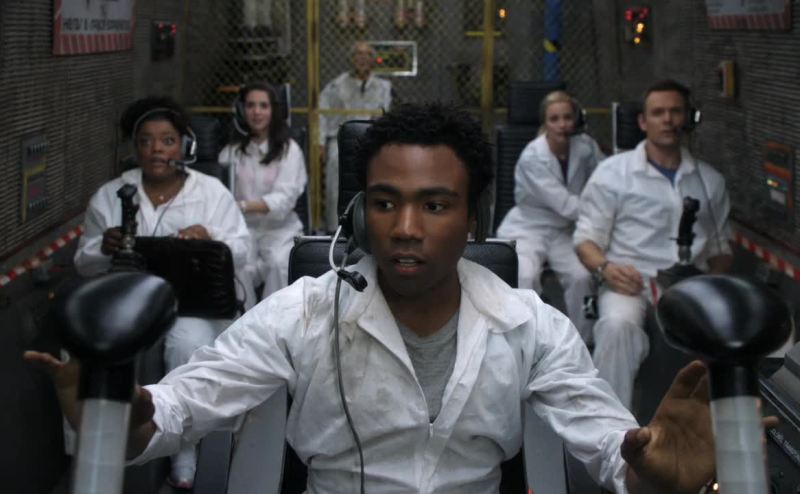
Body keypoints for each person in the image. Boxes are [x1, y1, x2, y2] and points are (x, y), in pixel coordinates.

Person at [31, 103, 721, 493]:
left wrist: (656, 473)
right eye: (386, 203)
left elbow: (613, 449)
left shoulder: (531, 325)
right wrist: (125, 419)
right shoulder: (303, 311)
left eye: (435, 205)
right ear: (360, 216)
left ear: (473, 219)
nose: (407, 228)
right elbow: (183, 406)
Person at [72, 96, 253, 489]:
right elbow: (83, 263)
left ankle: (183, 452)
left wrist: (210, 236)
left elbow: (243, 249)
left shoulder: (211, 192)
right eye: (147, 141)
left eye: (167, 140)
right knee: (83, 350)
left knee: (187, 342)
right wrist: (103, 247)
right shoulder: (112, 194)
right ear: (134, 148)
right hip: (127, 307)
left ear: (184, 146)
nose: (157, 149)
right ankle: (92, 452)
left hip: (191, 306)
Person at [574, 80, 733, 410]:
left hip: (690, 286)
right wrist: (607, 269)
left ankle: (706, 428)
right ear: (643, 122)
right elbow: (586, 241)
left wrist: (712, 290)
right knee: (616, 328)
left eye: (675, 112)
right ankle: (610, 429)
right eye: (658, 113)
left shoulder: (710, 180)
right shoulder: (612, 173)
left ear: (689, 118)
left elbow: (720, 249)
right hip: (630, 282)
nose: (668, 120)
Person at [496, 90, 604, 341]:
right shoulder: (532, 156)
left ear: (576, 120)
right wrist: (603, 213)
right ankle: (529, 341)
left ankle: (583, 342)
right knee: (524, 275)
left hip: (565, 231)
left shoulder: (586, 147)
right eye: (554, 119)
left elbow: (606, 179)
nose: (562, 124)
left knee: (583, 276)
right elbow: (565, 204)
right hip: (528, 229)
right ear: (545, 122)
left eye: (567, 117)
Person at [219, 82, 307, 299]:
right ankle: (244, 317)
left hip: (280, 229)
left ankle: (275, 320)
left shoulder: (289, 150)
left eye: (263, 106)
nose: (256, 112)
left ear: (273, 110)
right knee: (238, 265)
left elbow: (284, 199)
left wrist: (242, 206)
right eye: (250, 105)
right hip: (243, 229)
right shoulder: (231, 152)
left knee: (278, 264)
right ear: (242, 110)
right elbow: (220, 196)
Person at [319, 41, 392, 230]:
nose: (362, 58)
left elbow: (387, 114)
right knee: (336, 181)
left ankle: (370, 226)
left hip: (372, 139)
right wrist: (320, 143)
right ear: (351, 59)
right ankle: (335, 227)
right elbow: (322, 113)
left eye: (367, 54)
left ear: (373, 59)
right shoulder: (336, 86)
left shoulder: (383, 87)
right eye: (358, 54)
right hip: (340, 139)